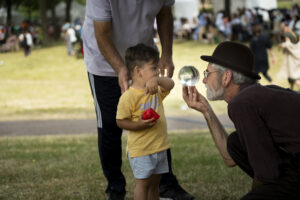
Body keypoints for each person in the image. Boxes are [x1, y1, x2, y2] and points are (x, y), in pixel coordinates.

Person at [81, 0, 195, 199]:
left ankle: (166, 184)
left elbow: (165, 13)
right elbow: (101, 33)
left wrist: (166, 54)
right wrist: (120, 68)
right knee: (109, 125)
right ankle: (115, 188)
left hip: (143, 61)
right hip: (103, 63)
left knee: (154, 117)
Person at [182, 41, 300, 200]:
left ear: (226, 77)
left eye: (207, 74)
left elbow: (267, 174)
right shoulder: (255, 96)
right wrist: (206, 110)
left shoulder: (242, 103)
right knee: (234, 142)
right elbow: (230, 158)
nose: (203, 80)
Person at [116, 43, 174, 200]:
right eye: (154, 68)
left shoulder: (156, 90)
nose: (157, 72)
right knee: (143, 185)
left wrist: (159, 80)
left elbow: (171, 84)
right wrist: (138, 125)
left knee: (155, 184)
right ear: (138, 71)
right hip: (141, 150)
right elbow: (120, 121)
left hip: (159, 146)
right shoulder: (129, 97)